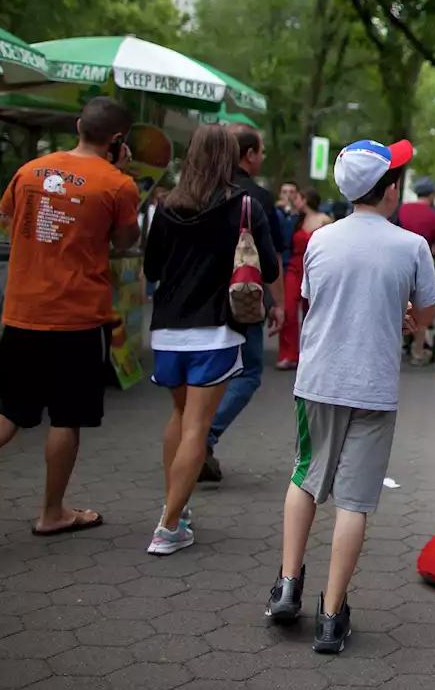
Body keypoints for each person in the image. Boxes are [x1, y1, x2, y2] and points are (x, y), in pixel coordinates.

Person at [0, 97, 139, 551]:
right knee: (66, 415)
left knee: (8, 406)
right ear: (118, 140)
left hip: (23, 310)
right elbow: (124, 242)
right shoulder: (118, 184)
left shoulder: (30, 170)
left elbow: (8, 219)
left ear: (79, 125)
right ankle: (52, 513)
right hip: (78, 318)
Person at [267, 139, 435, 654]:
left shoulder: (320, 239)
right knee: (355, 501)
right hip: (374, 388)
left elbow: (310, 301)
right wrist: (408, 317)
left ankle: (286, 585)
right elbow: (425, 317)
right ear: (390, 191)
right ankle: (330, 614)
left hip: (317, 381)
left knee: (305, 474)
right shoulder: (411, 246)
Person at [142, 125, 279, 555]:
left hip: (167, 329)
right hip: (215, 330)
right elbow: (270, 270)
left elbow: (151, 270)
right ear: (231, 157)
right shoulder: (244, 207)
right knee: (198, 427)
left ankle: (177, 510)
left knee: (179, 417)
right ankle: (168, 526)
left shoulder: (167, 207)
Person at [201, 125, 286, 482]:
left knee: (203, 374)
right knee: (248, 372)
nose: (262, 157)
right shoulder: (256, 197)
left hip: (198, 302)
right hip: (244, 299)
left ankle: (190, 435)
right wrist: (278, 303)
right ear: (249, 154)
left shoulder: (197, 191)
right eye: (261, 151)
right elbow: (271, 260)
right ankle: (203, 437)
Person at [277, 185, 333, 370]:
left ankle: (314, 354)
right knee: (289, 311)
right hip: (295, 268)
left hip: (316, 269)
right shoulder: (296, 221)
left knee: (314, 313)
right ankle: (289, 354)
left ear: (306, 199)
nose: (295, 200)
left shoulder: (325, 220)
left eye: (299, 197)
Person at [397, 175, 435, 366]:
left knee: (396, 306)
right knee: (421, 308)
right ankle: (418, 352)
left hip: (398, 264)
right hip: (422, 267)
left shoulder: (401, 210)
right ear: (432, 195)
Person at [277, 181, 300, 269]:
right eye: (285, 192)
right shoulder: (275, 214)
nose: (288, 195)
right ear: (280, 195)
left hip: (294, 262)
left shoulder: (300, 217)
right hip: (279, 261)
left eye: (291, 192)